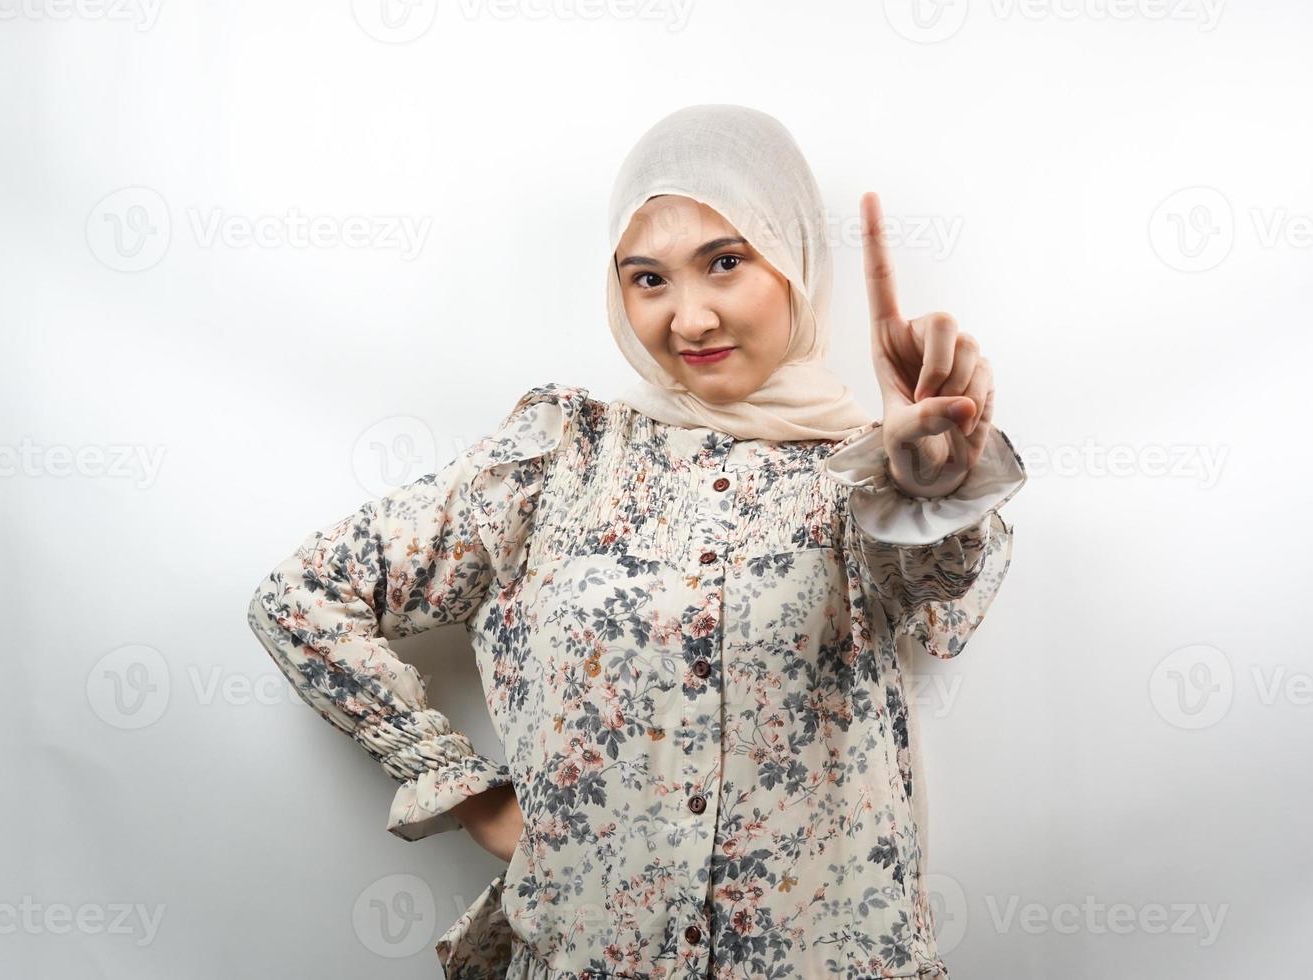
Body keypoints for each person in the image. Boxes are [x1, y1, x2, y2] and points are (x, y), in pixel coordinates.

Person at [246, 103, 1027, 980]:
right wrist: (470, 793)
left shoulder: (860, 482)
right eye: (647, 278)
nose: (688, 320)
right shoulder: (557, 460)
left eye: (725, 263)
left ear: (796, 260)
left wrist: (926, 481)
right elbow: (301, 599)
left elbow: (939, 591)